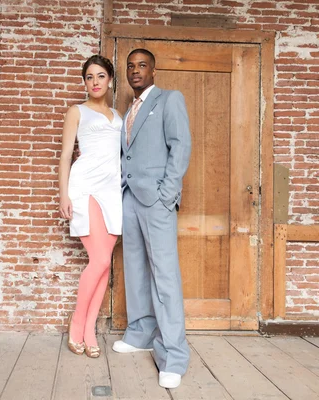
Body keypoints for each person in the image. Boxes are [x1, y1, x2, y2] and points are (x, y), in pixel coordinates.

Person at [112, 48, 192, 389]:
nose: (135, 71)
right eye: (130, 66)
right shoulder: (128, 110)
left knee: (164, 275)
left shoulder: (169, 100)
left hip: (156, 201)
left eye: (142, 65)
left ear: (154, 70)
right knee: (136, 269)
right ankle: (141, 332)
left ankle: (173, 355)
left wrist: (166, 194)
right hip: (129, 198)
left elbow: (181, 146)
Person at [58, 55, 122, 358]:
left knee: (105, 263)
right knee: (98, 261)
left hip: (112, 192)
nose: (94, 82)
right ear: (84, 81)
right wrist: (63, 195)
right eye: (88, 77)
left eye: (100, 76)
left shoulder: (119, 116)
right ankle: (78, 328)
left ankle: (89, 332)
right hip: (86, 189)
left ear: (109, 79)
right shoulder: (77, 111)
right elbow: (65, 156)